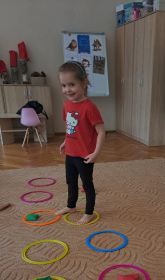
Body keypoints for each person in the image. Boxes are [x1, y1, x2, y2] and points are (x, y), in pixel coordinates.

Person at [56, 60, 106, 225]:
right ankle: (71, 206)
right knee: (70, 182)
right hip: (70, 153)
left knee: (87, 185)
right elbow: (70, 129)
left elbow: (101, 132)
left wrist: (96, 153)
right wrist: (65, 142)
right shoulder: (66, 105)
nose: (67, 89)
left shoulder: (89, 107)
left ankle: (89, 212)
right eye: (64, 85)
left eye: (72, 84)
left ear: (83, 83)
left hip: (85, 155)